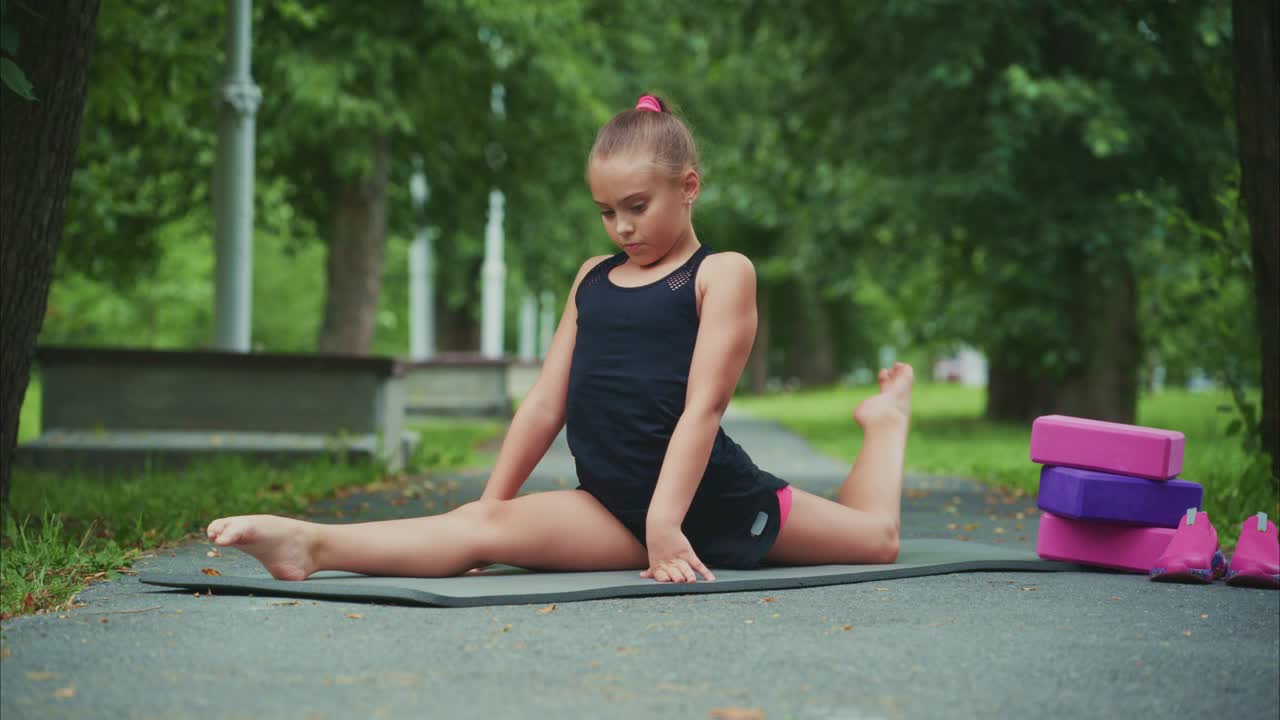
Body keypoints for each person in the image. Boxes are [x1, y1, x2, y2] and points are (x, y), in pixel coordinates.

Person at [206, 94, 913, 584]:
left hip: (715, 500)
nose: (623, 228)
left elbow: (704, 409)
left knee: (875, 541)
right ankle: (309, 545)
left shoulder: (720, 273)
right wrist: (492, 502)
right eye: (607, 212)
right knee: (474, 527)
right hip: (609, 506)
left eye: (638, 207)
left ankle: (884, 424)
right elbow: (546, 405)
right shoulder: (591, 279)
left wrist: (668, 524)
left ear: (689, 186)